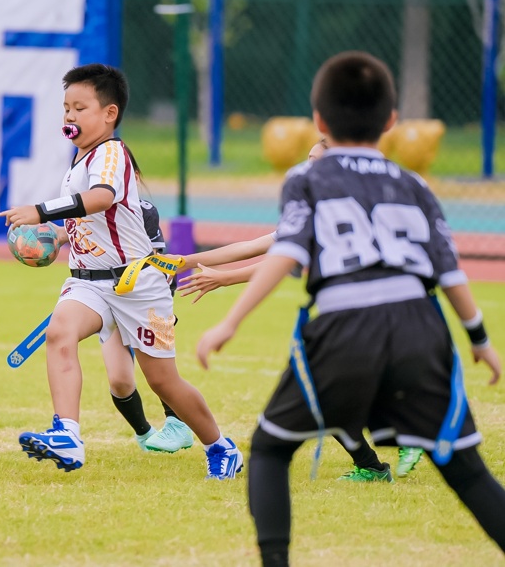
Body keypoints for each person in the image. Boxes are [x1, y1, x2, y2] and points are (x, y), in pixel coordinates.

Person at [196, 51, 505, 565]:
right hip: (421, 328)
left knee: (271, 450)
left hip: (346, 324)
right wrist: (479, 340)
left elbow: (288, 252)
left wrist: (231, 321)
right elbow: (450, 271)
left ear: (317, 122)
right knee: (468, 471)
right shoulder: (416, 184)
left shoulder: (307, 178)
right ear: (391, 122)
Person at [0, 63, 240, 479]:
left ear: (109, 114)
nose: (69, 116)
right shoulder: (80, 159)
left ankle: (221, 447)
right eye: (66, 108)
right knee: (60, 333)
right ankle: (68, 436)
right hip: (88, 282)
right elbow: (92, 218)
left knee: (163, 381)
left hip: (140, 285)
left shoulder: (111, 152)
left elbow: (102, 197)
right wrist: (60, 236)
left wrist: (38, 210)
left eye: (80, 107)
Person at [178, 138, 425, 481]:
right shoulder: (320, 205)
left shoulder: (339, 210)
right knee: (328, 393)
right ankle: (373, 463)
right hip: (348, 316)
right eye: (306, 159)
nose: (306, 168)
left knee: (339, 389)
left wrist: (224, 280)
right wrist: (184, 261)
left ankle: (412, 434)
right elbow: (252, 247)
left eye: (315, 160)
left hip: (371, 314)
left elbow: (281, 263)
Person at [54, 198, 195, 454]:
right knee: (119, 381)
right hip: (105, 302)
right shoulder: (83, 205)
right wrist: (58, 236)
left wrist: (162, 308)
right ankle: (144, 435)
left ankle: (180, 425)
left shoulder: (142, 210)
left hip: (141, 301)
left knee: (161, 376)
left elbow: (159, 264)